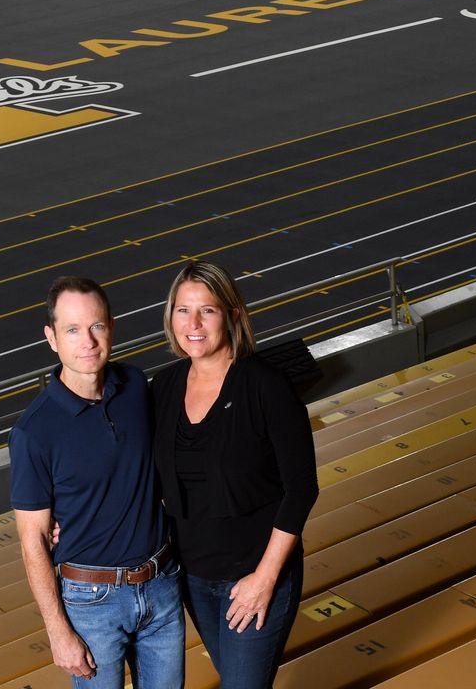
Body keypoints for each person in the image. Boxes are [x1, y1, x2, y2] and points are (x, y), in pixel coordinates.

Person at [9, 276, 184, 689]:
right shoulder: (33, 432)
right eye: (72, 330)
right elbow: (33, 539)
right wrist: (58, 631)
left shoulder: (136, 387)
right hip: (92, 604)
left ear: (112, 327)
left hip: (161, 586)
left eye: (96, 326)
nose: (87, 341)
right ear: (52, 338)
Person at [152, 261, 319, 689]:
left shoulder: (266, 385)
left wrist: (264, 580)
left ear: (233, 315)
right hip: (192, 575)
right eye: (182, 310)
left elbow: (301, 490)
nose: (193, 323)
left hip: (255, 572)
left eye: (207, 310)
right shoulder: (164, 387)